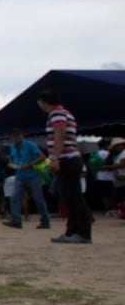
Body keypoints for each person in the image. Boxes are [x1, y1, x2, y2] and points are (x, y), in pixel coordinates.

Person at [37, 90, 93, 243]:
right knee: (69, 198)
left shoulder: (57, 114)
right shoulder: (63, 113)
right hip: (68, 159)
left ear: (43, 102)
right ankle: (72, 232)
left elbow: (59, 135)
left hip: (66, 159)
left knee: (74, 197)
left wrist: (54, 158)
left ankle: (82, 233)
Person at [4, 128, 51, 230]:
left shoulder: (30, 145)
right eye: (14, 136)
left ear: (22, 135)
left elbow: (42, 157)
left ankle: (45, 221)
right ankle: (16, 220)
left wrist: (29, 164)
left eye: (18, 135)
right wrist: (11, 164)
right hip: (19, 176)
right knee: (16, 198)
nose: (16, 137)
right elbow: (12, 159)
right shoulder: (12, 147)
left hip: (33, 175)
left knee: (38, 199)